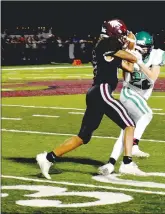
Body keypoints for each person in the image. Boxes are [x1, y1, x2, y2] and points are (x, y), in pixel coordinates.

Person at [36, 19, 147, 180]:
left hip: (96, 93)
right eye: (121, 34)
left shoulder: (108, 50)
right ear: (113, 33)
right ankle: (127, 164)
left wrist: (130, 52)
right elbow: (132, 59)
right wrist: (133, 51)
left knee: (83, 137)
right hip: (102, 91)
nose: (123, 37)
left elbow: (128, 67)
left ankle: (47, 158)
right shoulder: (106, 44)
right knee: (129, 124)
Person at [98, 31, 165, 175]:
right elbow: (125, 75)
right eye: (141, 46)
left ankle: (111, 163)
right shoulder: (128, 53)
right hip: (129, 92)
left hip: (142, 96)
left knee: (125, 130)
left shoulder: (156, 54)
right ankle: (134, 146)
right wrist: (129, 57)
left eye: (146, 47)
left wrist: (140, 62)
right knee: (147, 114)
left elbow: (152, 77)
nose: (143, 49)